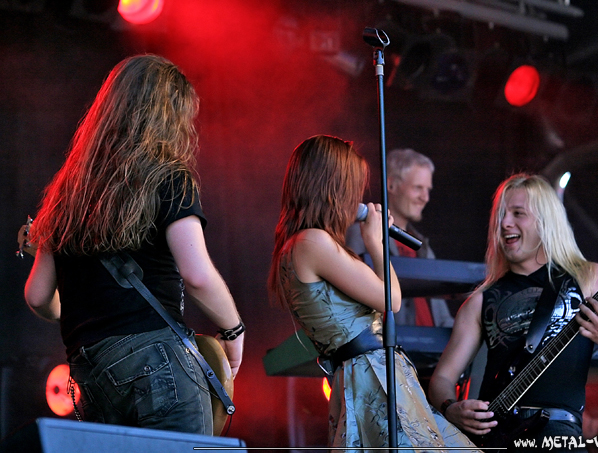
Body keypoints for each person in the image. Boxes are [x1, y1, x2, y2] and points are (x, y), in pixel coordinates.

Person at [21, 54, 244, 435]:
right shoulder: (170, 176)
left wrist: (89, 304)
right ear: (167, 117)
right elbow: (198, 275)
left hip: (91, 373)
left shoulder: (67, 191)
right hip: (159, 362)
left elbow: (39, 296)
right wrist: (234, 332)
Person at [268, 135, 479, 451]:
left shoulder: (300, 244)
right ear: (332, 186)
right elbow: (391, 299)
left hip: (365, 372)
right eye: (352, 185)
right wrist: (378, 243)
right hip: (370, 373)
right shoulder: (313, 242)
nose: (357, 195)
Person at [428, 173, 598, 451]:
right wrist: (450, 407)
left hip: (558, 435)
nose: (504, 223)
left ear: (545, 221)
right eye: (500, 215)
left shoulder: (591, 279)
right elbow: (441, 378)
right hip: (496, 438)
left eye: (517, 213)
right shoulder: (481, 300)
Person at [346, 148, 454, 327]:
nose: (425, 198)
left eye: (428, 189)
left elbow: (442, 316)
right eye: (418, 188)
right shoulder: (361, 233)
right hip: (391, 349)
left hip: (432, 353)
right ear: (391, 186)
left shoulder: (423, 246)